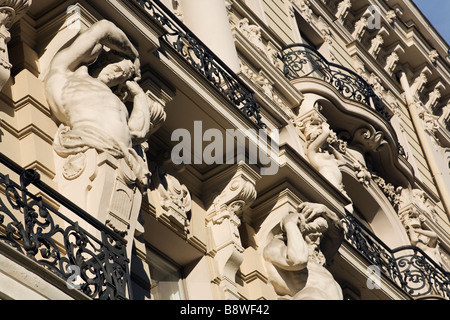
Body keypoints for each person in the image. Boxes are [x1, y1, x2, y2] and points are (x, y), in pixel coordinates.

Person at [45, 19, 153, 187]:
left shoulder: (116, 103)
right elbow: (103, 28)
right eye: (117, 68)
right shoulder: (65, 72)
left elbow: (136, 133)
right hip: (87, 145)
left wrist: (139, 96)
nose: (116, 76)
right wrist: (134, 55)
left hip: (124, 159)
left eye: (122, 77)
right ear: (102, 60)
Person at [263, 202, 344, 300]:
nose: (319, 233)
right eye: (315, 226)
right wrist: (290, 224)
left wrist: (325, 210)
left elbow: (338, 234)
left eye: (322, 230)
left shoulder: (318, 257)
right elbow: (298, 260)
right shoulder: (276, 247)